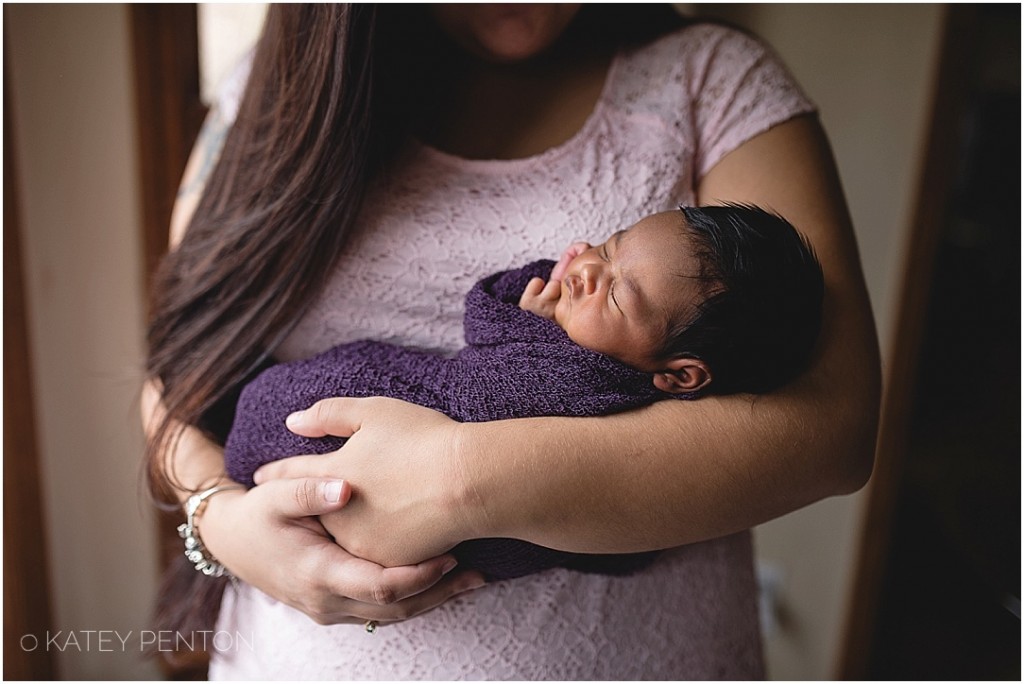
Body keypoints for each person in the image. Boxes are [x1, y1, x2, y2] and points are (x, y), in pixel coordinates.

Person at [141, 4, 880, 679]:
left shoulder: (714, 79)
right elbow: (180, 363)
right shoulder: (280, 90)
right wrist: (219, 517)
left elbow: (832, 426)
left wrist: (459, 480)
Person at [219, 204, 823, 580]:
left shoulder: (582, 387)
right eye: (608, 246)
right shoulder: (630, 390)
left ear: (681, 376)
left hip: (315, 446)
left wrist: (523, 319)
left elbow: (482, 389)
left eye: (615, 294)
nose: (584, 267)